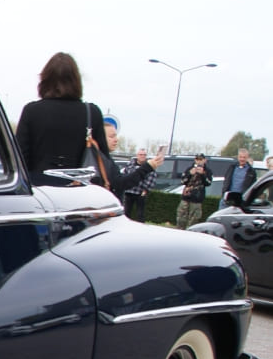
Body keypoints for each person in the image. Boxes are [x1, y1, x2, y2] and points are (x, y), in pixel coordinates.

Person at [14, 52, 163, 192]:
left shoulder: (31, 111)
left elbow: (19, 160)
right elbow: (104, 162)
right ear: (77, 81)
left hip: (39, 193)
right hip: (79, 196)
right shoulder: (91, 113)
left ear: (44, 80)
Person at [122, 146, 156, 221]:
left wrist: (146, 190)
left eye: (144, 155)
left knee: (140, 214)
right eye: (141, 154)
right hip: (129, 192)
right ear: (137, 155)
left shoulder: (149, 166)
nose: (142, 156)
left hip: (141, 193)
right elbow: (125, 175)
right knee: (126, 212)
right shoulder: (130, 164)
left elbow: (152, 178)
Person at [177, 153, 210, 228]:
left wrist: (202, 174)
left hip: (197, 199)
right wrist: (189, 174)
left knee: (193, 221)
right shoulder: (189, 169)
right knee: (181, 219)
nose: (198, 161)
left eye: (200, 159)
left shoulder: (207, 171)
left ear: (204, 160)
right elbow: (183, 181)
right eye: (197, 159)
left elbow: (208, 183)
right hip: (186, 198)